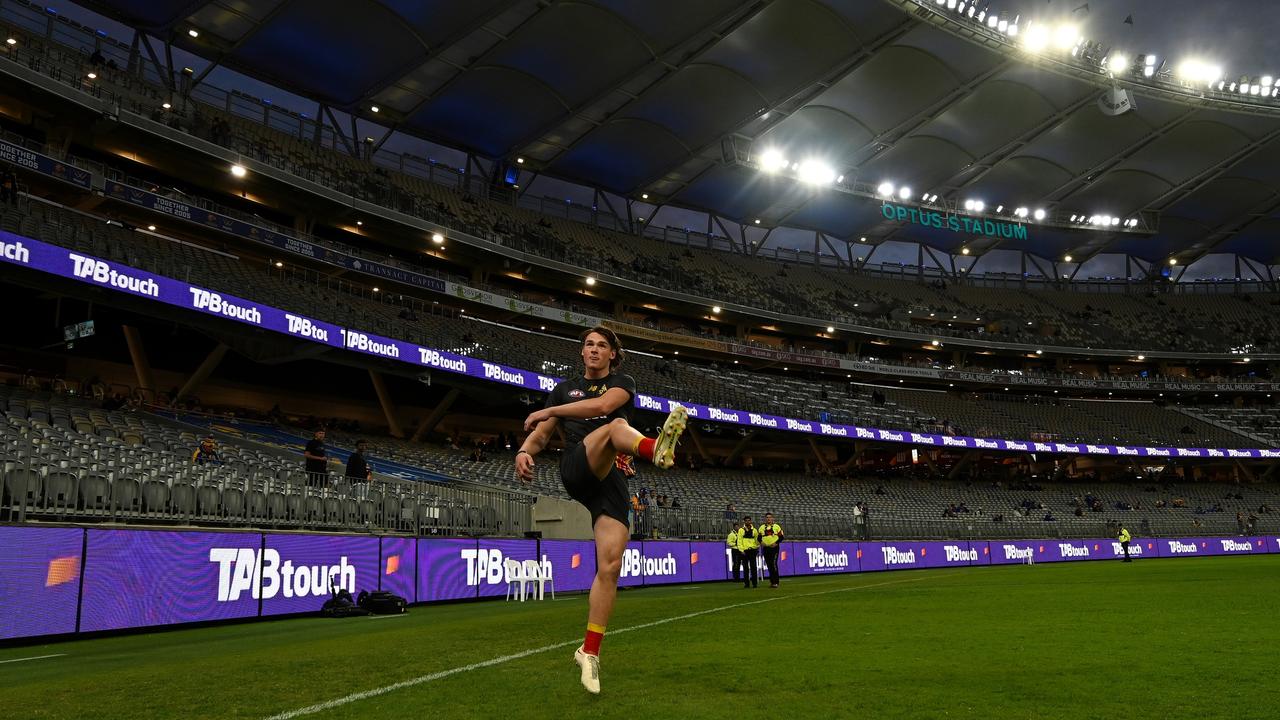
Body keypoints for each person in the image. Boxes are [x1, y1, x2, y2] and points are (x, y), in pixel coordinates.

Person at [514, 326, 687, 695]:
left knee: (609, 566)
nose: (594, 350)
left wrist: (550, 408)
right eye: (589, 345)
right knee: (617, 428)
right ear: (582, 353)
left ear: (612, 354)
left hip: (613, 482)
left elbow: (603, 406)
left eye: (602, 346)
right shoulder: (564, 389)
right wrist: (524, 451)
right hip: (578, 467)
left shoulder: (622, 382)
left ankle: (589, 652)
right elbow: (542, 435)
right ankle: (653, 448)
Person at [759, 512, 784, 588]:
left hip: (774, 548)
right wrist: (761, 543)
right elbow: (759, 538)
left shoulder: (777, 527)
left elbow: (781, 537)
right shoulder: (762, 527)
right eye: (767, 517)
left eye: (770, 517)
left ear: (772, 518)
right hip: (766, 548)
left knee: (773, 564)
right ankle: (772, 582)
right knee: (769, 565)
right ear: (765, 519)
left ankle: (776, 582)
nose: (768, 519)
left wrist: (776, 543)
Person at [736, 515, 760, 589]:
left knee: (753, 567)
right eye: (746, 520)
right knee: (745, 568)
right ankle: (746, 583)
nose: (747, 522)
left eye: (749, 520)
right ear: (744, 521)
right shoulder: (741, 530)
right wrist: (741, 550)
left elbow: (757, 541)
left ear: (750, 521)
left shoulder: (755, 530)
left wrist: (756, 548)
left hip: (752, 550)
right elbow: (739, 541)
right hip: (744, 551)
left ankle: (754, 583)